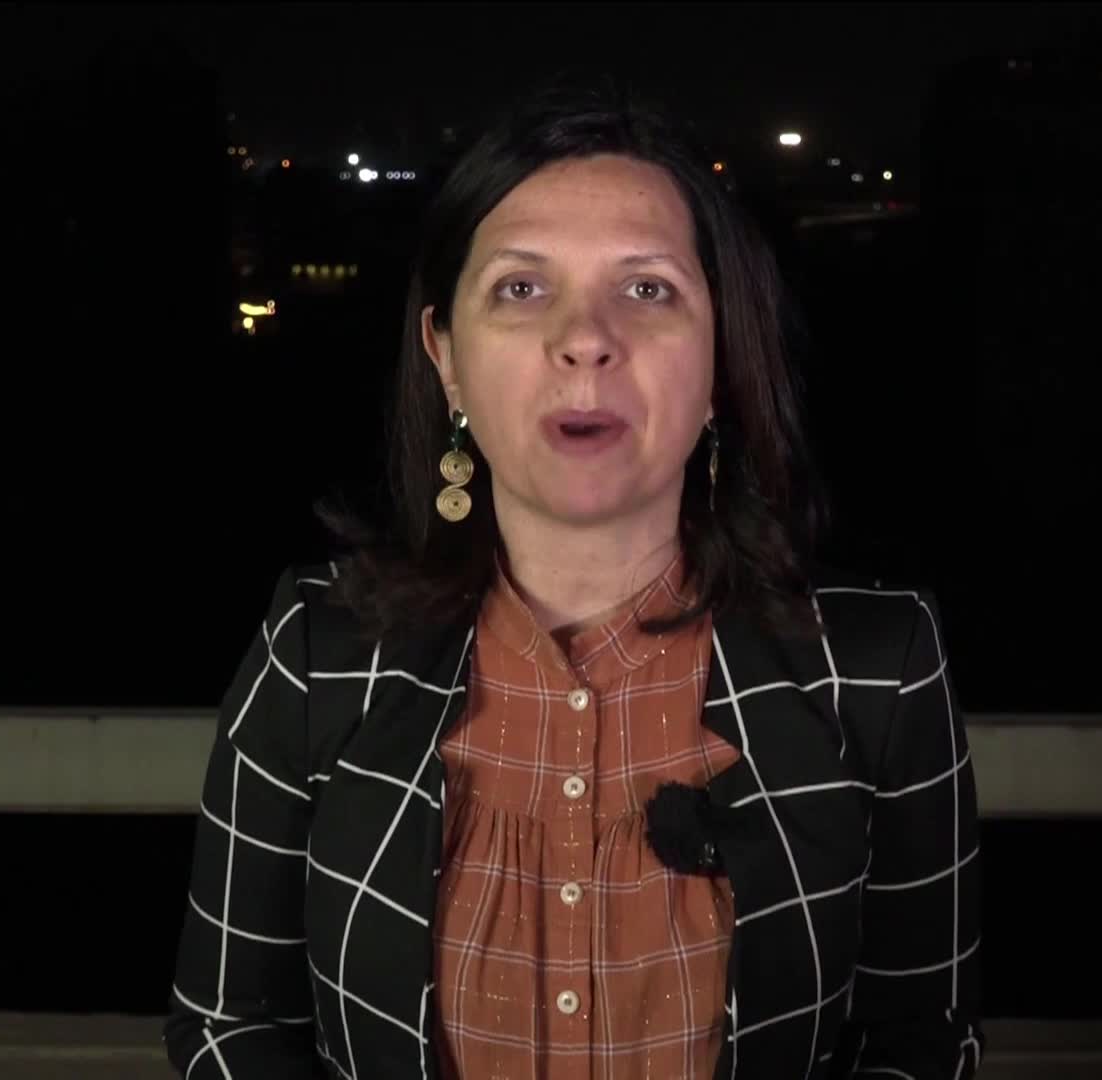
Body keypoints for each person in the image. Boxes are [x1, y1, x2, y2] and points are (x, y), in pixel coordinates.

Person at [163, 75, 983, 1080]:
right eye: (521, 288)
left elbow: (920, 1039)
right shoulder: (315, 657)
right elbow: (230, 1025)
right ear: (446, 357)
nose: (586, 339)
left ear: (721, 358)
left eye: (647, 289)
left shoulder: (879, 669)